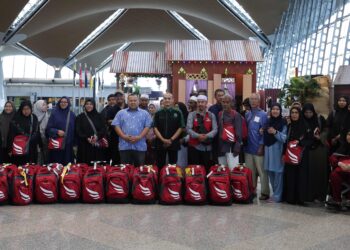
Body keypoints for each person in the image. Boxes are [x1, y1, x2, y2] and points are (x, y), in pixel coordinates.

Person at [283, 107, 313, 205]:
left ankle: (300, 199)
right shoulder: (289, 126)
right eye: (292, 112)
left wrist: (300, 142)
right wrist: (283, 154)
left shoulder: (305, 125)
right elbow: (285, 141)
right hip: (290, 155)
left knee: (301, 177)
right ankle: (291, 198)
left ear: (300, 114)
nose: (294, 115)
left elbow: (310, 140)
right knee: (290, 176)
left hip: (302, 156)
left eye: (296, 113)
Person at [112, 94, 152, 166]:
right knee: (125, 170)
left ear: (138, 101)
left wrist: (139, 137)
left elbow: (147, 126)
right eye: (131, 100)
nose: (133, 102)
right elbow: (116, 125)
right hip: (124, 145)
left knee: (139, 170)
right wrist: (124, 136)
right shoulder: (121, 113)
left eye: (135, 100)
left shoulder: (145, 113)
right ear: (127, 101)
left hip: (140, 146)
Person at [245, 93, 270, 200]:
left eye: (255, 99)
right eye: (252, 99)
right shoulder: (247, 114)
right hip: (248, 148)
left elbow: (264, 131)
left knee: (262, 171)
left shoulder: (263, 114)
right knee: (250, 172)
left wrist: (261, 146)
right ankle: (252, 190)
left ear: (259, 101)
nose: (253, 101)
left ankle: (265, 192)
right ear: (249, 101)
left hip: (258, 147)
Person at [302, 103, 328, 202]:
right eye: (306, 112)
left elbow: (326, 130)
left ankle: (319, 195)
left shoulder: (319, 119)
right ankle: (308, 195)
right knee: (308, 174)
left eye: (310, 112)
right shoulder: (302, 120)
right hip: (306, 150)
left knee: (319, 173)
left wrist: (320, 137)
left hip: (319, 151)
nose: (308, 114)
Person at [263, 103, 287, 202]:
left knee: (278, 173)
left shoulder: (283, 123)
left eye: (277, 109)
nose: (275, 111)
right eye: (273, 109)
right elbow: (265, 133)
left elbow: (285, 138)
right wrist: (263, 130)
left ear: (280, 111)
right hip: (268, 151)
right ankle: (275, 193)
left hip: (278, 151)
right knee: (270, 172)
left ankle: (278, 196)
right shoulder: (268, 121)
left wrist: (276, 132)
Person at [154, 93, 185, 168]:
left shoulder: (178, 112)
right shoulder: (158, 112)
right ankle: (160, 179)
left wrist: (171, 139)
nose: (167, 100)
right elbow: (155, 127)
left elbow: (181, 127)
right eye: (165, 98)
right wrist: (163, 139)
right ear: (163, 100)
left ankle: (171, 179)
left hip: (173, 142)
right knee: (160, 164)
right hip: (160, 142)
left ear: (173, 100)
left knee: (173, 165)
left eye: (169, 98)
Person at [187, 95, 217, 170]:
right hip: (194, 146)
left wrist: (206, 136)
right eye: (199, 102)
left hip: (207, 147)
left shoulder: (211, 115)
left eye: (202, 102)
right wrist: (198, 136)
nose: (200, 104)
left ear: (206, 103)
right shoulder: (192, 114)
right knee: (195, 169)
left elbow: (215, 129)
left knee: (206, 168)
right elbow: (188, 129)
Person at [7, 101, 40, 165]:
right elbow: (11, 135)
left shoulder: (34, 117)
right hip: (19, 149)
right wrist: (9, 149)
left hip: (32, 148)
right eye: (24, 109)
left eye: (28, 109)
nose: (26, 111)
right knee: (20, 167)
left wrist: (39, 144)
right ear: (21, 109)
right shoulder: (16, 119)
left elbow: (37, 131)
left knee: (31, 167)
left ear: (31, 109)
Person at [75, 99, 107, 164]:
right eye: (87, 104)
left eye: (91, 104)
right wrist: (86, 138)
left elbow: (103, 129)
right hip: (84, 146)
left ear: (94, 105)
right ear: (84, 106)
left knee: (97, 166)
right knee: (84, 164)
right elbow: (78, 131)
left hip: (97, 145)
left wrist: (97, 137)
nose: (89, 106)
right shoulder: (80, 117)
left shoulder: (99, 116)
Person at [46, 97, 75, 165]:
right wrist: (57, 132)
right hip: (57, 145)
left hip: (68, 146)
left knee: (67, 167)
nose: (63, 103)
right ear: (59, 103)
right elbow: (48, 129)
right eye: (62, 102)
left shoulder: (72, 115)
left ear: (68, 103)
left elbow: (75, 130)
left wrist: (74, 143)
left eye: (65, 102)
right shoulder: (54, 114)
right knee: (56, 166)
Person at [217, 95, 242, 170]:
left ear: (231, 103)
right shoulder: (220, 114)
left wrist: (237, 147)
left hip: (232, 147)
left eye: (227, 102)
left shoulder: (236, 115)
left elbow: (239, 132)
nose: (225, 104)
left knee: (233, 170)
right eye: (223, 102)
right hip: (221, 146)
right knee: (223, 170)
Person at [328, 129, 350, 207]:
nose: (349, 137)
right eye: (348, 135)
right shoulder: (343, 147)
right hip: (341, 171)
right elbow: (332, 158)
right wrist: (339, 163)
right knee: (334, 175)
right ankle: (337, 200)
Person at [209, 89, 225, 164]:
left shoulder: (228, 108)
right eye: (219, 96)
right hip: (215, 138)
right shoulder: (211, 109)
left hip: (226, 139)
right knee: (216, 161)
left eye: (222, 95)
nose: (221, 97)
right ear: (215, 97)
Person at [33, 100, 50, 164]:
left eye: (46, 104)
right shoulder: (33, 116)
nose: (46, 106)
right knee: (38, 155)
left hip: (45, 139)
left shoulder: (46, 115)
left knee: (46, 154)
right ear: (38, 106)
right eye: (43, 105)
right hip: (36, 140)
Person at [175, 102, 189, 168]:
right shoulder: (174, 117)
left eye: (178, 107)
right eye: (175, 107)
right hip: (174, 143)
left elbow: (190, 132)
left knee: (183, 163)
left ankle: (183, 178)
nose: (176, 109)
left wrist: (184, 139)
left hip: (184, 143)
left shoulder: (188, 117)